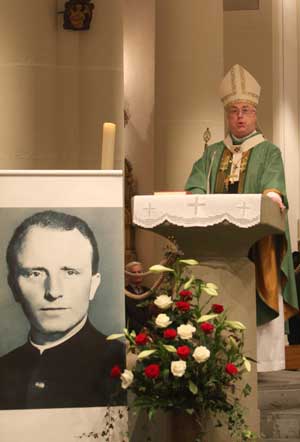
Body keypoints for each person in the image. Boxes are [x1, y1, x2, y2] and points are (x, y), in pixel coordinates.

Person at [185, 64, 298, 372]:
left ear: (255, 113)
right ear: (227, 115)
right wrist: (197, 194)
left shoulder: (268, 152)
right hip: (220, 243)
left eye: (246, 110)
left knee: (261, 284)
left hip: (257, 241)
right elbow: (195, 184)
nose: (239, 116)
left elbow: (274, 187)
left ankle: (264, 361)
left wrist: (273, 196)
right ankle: (218, 358)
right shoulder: (211, 156)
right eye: (234, 110)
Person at [0, 210, 125, 409]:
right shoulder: (4, 369)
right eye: (35, 273)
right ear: (14, 286)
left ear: (93, 285)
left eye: (70, 272)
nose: (53, 291)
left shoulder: (120, 364)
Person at [125, 261, 151, 333]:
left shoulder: (149, 291)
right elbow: (125, 317)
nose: (137, 275)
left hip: (151, 332)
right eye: (134, 272)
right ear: (128, 275)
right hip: (134, 333)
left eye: (139, 272)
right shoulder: (124, 293)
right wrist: (140, 329)